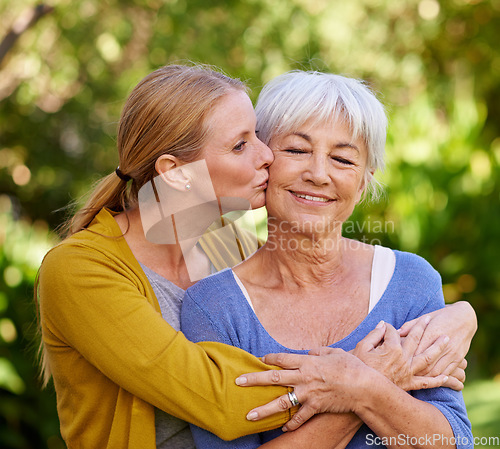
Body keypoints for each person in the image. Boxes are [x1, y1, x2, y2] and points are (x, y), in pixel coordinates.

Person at [36, 64, 475, 449]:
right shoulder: (79, 271)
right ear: (176, 173)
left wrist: (461, 314)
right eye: (241, 145)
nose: (269, 154)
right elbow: (223, 401)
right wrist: (370, 378)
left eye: (258, 138)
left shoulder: (230, 249)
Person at [181, 70, 474, 448]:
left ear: (364, 182)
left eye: (342, 159)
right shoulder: (213, 306)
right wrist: (372, 381)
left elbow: (454, 442)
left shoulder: (412, 281)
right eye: (297, 150)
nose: (319, 174)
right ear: (263, 161)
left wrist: (359, 386)